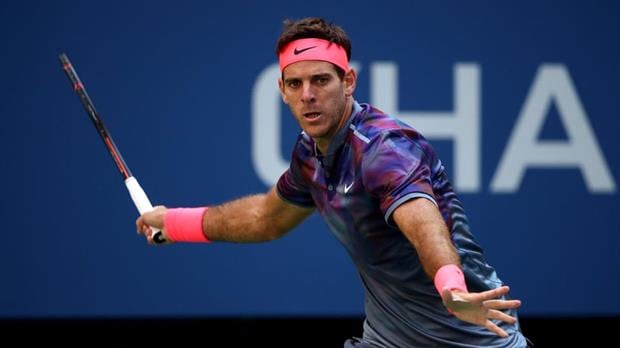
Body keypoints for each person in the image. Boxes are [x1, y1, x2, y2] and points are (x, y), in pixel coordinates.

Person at [137, 17, 530, 347]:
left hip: (474, 337)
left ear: (349, 81)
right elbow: (266, 217)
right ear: (282, 90)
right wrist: (172, 223)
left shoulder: (382, 150)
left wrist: (452, 289)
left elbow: (424, 223)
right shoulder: (310, 153)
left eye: (321, 80)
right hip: (388, 340)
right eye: (295, 84)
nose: (308, 95)